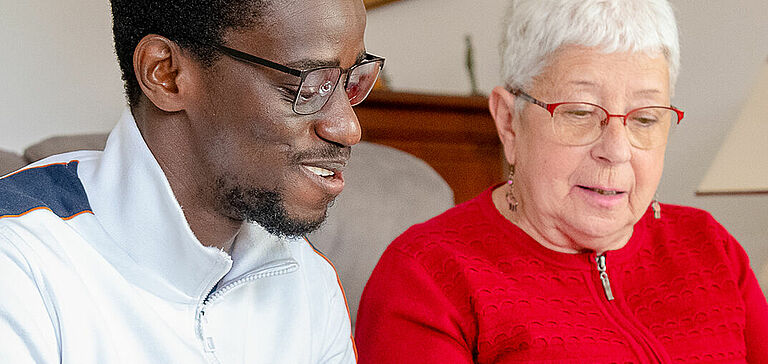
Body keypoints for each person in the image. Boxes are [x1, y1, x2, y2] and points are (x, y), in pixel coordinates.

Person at [354, 0, 768, 362]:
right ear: (508, 122)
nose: (617, 150)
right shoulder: (426, 276)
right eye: (580, 112)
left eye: (644, 118)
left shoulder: (711, 248)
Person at [0, 0, 383, 363]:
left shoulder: (308, 281)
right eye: (307, 86)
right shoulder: (19, 261)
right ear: (165, 74)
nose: (349, 128)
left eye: (351, 81)